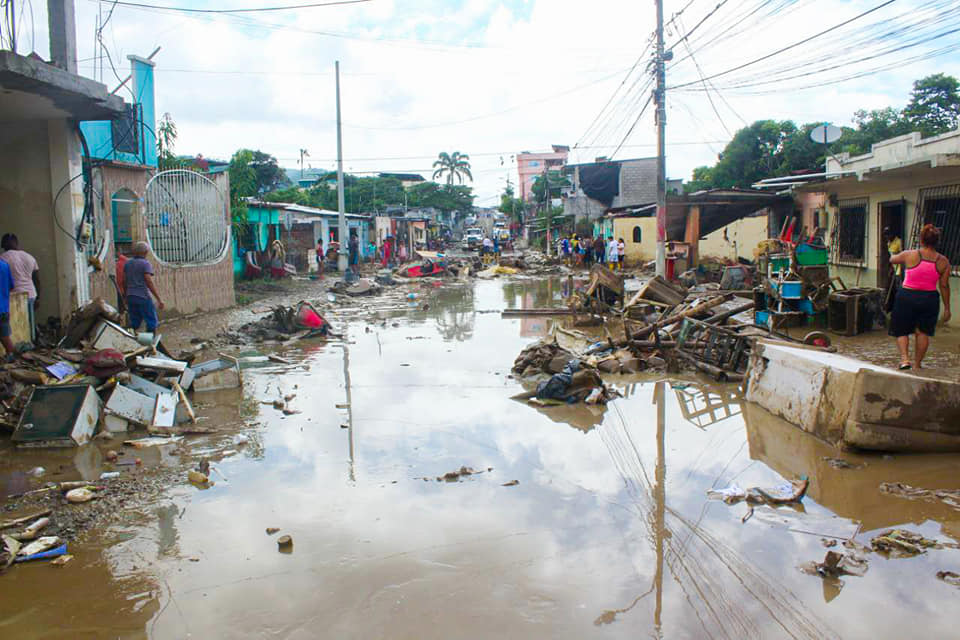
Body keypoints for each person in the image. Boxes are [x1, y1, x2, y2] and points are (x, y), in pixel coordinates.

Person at [889, 224, 951, 370]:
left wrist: (893, 252)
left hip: (907, 296)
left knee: (901, 330)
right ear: (937, 241)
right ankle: (917, 365)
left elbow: (893, 260)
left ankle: (905, 360)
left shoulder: (910, 254)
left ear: (921, 239)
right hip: (929, 299)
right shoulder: (943, 261)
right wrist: (947, 307)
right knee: (922, 332)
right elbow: (944, 286)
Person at [0, 234, 40, 343]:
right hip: (31, 294)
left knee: (15, 326)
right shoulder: (29, 257)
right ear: (17, 243)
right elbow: (36, 279)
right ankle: (32, 343)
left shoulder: (2, 258)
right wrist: (38, 298)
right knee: (29, 323)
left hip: (14, 296)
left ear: (3, 245)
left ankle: (21, 346)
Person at [123, 241, 164, 333]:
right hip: (142, 296)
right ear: (145, 252)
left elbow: (124, 282)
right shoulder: (145, 264)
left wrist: (125, 296)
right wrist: (158, 299)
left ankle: (128, 338)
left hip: (130, 296)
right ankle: (150, 343)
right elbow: (149, 282)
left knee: (134, 322)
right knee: (151, 321)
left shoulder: (128, 264)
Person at [0, 257, 16, 359]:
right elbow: (11, 286)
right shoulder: (4, 265)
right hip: (3, 308)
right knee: (5, 336)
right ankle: (12, 358)